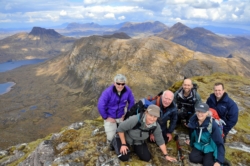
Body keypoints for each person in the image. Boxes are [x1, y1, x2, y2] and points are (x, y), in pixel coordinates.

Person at [112, 104, 177, 162]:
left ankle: (133, 147)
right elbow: (120, 129)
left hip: (138, 141)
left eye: (155, 117)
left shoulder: (156, 126)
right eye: (151, 115)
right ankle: (115, 141)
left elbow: (160, 141)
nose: (152, 118)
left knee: (147, 158)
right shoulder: (135, 119)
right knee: (124, 157)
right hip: (126, 138)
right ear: (146, 113)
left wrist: (166, 155)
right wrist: (123, 144)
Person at [97, 74, 135, 144]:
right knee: (111, 139)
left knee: (128, 136)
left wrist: (127, 115)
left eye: (122, 84)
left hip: (122, 114)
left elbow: (132, 102)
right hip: (110, 115)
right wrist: (106, 117)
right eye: (118, 83)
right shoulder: (107, 92)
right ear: (114, 83)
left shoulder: (128, 90)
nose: (120, 86)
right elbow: (100, 105)